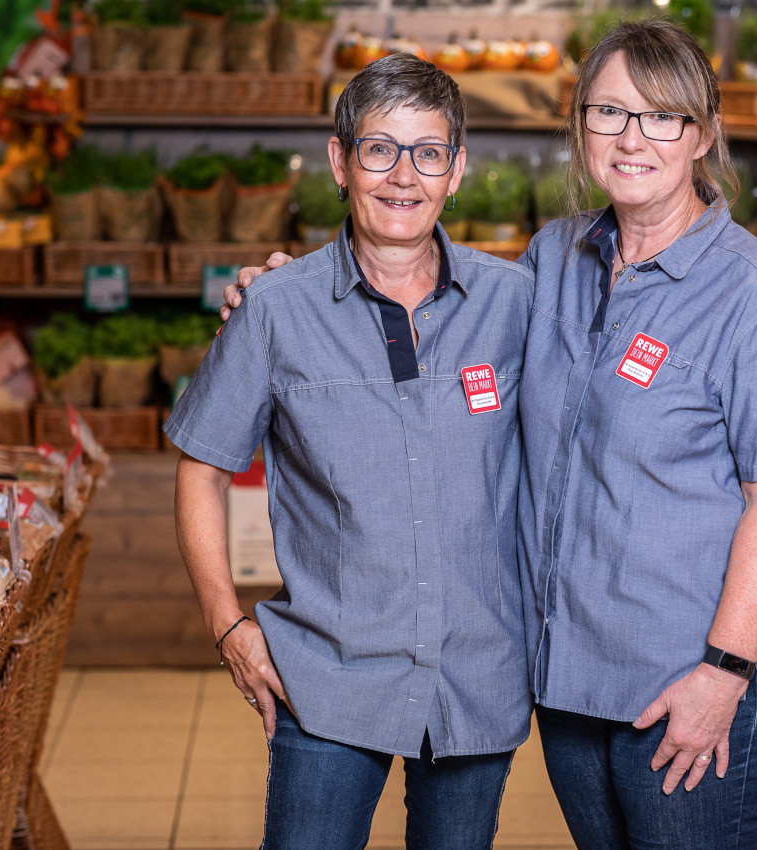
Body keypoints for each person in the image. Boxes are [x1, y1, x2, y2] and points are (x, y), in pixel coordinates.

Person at [228, 19, 757, 850]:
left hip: (689, 689)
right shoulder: (554, 260)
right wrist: (282, 290)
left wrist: (723, 675)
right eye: (609, 112)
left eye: (662, 117)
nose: (631, 138)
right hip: (573, 685)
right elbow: (424, 282)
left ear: (703, 135)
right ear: (580, 126)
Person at [167, 53, 534, 850]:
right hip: (328, 677)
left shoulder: (517, 302)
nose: (403, 176)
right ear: (340, 160)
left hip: (476, 673)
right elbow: (200, 468)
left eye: (428, 152)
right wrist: (228, 625)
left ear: (457, 170)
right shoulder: (275, 309)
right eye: (379, 149)